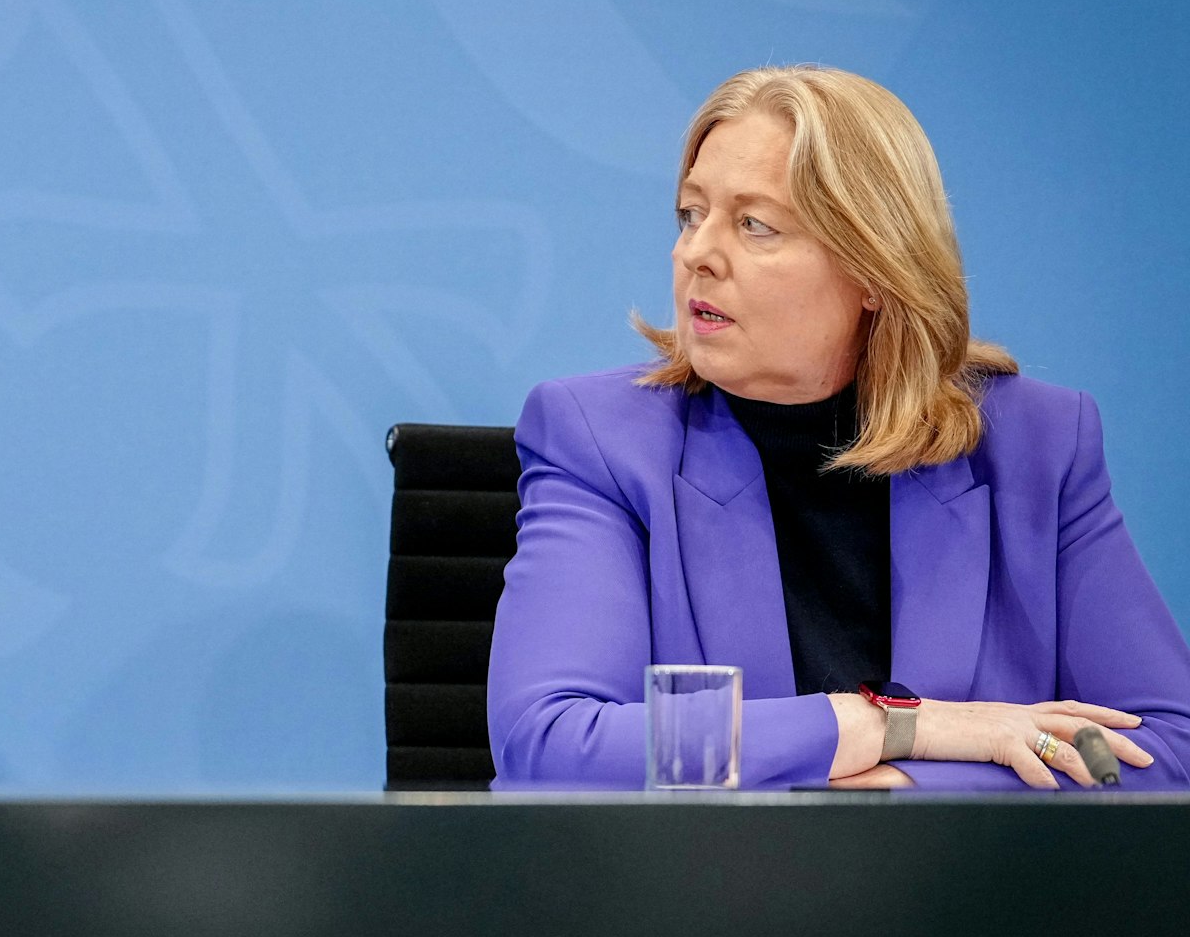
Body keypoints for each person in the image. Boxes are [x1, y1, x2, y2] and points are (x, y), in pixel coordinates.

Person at [488, 65, 1190, 790]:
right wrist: (890, 724)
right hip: (700, 896)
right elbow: (549, 742)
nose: (695, 253)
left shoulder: (1035, 446)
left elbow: (1168, 751)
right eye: (691, 214)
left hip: (969, 898)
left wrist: (903, 787)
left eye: (754, 224)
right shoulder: (601, 441)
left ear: (874, 272)